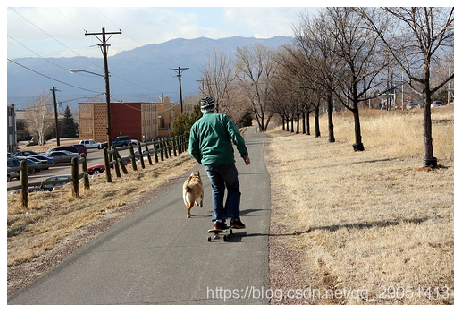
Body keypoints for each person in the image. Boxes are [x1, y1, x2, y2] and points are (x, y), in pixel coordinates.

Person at [188, 96, 250, 230]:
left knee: (217, 189)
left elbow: (192, 149)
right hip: (226, 160)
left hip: (209, 164)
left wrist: (202, 159)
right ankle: (234, 219)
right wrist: (244, 154)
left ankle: (218, 221)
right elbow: (236, 136)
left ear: (201, 109)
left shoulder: (196, 125)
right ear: (213, 107)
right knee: (233, 188)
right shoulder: (223, 118)